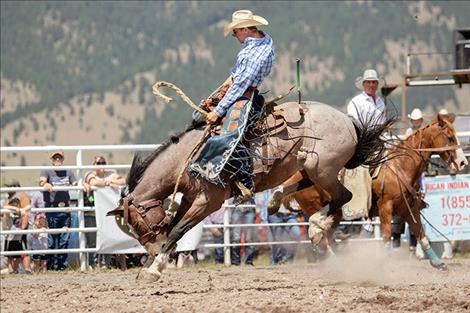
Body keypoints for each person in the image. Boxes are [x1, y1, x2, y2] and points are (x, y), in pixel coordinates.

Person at [188, 9, 275, 204]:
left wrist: (218, 110)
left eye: (235, 32)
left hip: (245, 95)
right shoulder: (263, 40)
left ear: (244, 29)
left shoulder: (254, 54)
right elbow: (237, 76)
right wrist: (222, 88)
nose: (234, 36)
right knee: (199, 113)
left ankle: (245, 181)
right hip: (240, 88)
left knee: (229, 136)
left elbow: (240, 86)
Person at [83, 155, 126, 270]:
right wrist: (109, 183)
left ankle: (104, 263)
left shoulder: (110, 174)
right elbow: (93, 182)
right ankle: (92, 263)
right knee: (92, 239)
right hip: (92, 210)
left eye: (103, 163)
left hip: (106, 210)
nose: (101, 165)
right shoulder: (89, 174)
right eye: (98, 163)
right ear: (94, 165)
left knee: (107, 235)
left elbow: (123, 180)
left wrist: (111, 181)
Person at [39, 151, 78, 270]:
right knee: (51, 239)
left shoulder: (68, 171)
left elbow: (75, 182)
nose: (57, 160)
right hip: (52, 207)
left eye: (59, 158)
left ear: (63, 159)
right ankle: (51, 266)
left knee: (64, 239)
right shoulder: (46, 171)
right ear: (51, 160)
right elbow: (41, 181)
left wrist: (79, 184)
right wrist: (45, 184)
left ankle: (61, 266)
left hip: (65, 208)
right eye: (55, 158)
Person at [2, 179, 32, 274]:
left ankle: (25, 269)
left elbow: (28, 207)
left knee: (22, 250)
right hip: (11, 228)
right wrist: (15, 208)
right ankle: (12, 270)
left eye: (10, 187)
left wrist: (21, 210)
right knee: (10, 252)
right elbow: (4, 208)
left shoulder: (22, 196)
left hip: (20, 227)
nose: (8, 189)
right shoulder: (8, 198)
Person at [230, 197, 256, 266]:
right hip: (237, 208)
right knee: (236, 238)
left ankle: (249, 261)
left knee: (249, 238)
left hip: (249, 208)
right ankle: (235, 262)